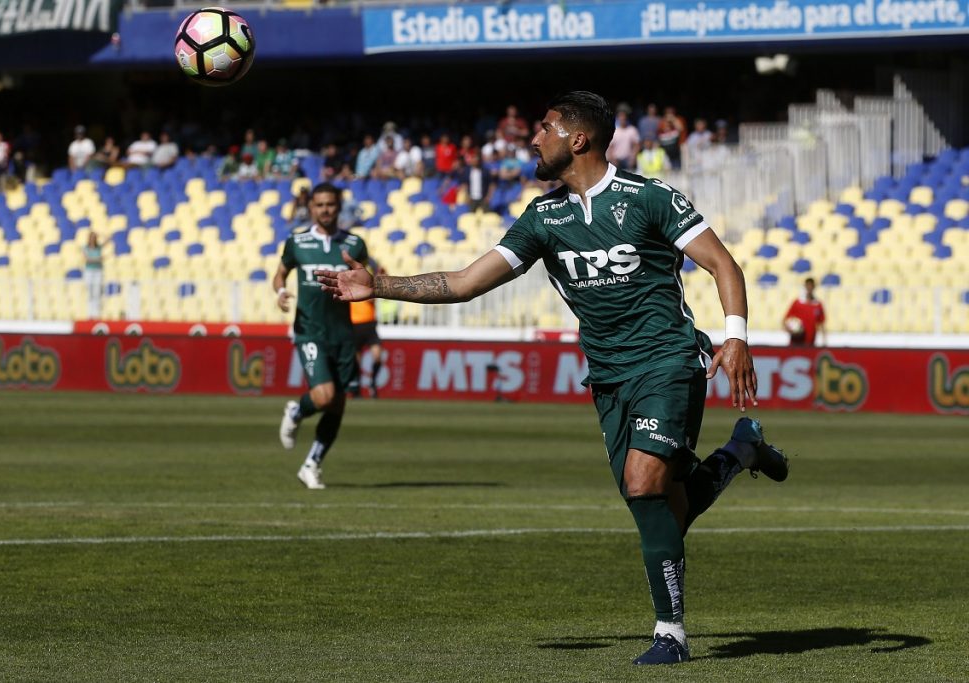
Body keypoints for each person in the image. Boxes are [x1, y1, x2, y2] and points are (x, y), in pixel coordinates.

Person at [317, 91, 788, 666]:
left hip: (668, 360)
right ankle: (742, 450)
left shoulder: (648, 198)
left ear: (578, 139)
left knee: (644, 485)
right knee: (667, 508)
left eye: (545, 127)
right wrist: (380, 286)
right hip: (610, 378)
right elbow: (466, 283)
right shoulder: (545, 217)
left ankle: (671, 634)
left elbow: (723, 264)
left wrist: (735, 336)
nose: (533, 138)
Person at [273, 182, 369, 490]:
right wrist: (280, 291)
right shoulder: (297, 242)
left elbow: (361, 282)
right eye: (320, 205)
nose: (325, 210)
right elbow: (280, 273)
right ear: (311, 208)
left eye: (330, 204)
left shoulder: (355, 244)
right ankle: (297, 409)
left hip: (342, 333)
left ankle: (311, 464)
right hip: (309, 330)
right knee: (325, 396)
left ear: (339, 207)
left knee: (338, 404)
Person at [349, 261, 387, 399]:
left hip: (370, 324)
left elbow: (372, 300)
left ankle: (372, 383)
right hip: (354, 325)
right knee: (356, 361)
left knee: (377, 356)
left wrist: (378, 277)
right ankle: (356, 389)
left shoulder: (367, 285)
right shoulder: (349, 284)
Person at [783, 277, 826, 346]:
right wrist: (790, 329)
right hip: (796, 342)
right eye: (808, 286)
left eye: (811, 286)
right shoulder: (797, 302)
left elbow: (821, 323)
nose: (809, 288)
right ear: (805, 287)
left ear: (814, 287)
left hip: (810, 342)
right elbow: (786, 319)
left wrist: (824, 341)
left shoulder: (818, 304)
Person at [606, 104, 640, 172]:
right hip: (616, 161)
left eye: (624, 116)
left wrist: (633, 158)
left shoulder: (632, 130)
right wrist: (612, 159)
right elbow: (610, 147)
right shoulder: (614, 131)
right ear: (618, 117)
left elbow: (637, 145)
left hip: (628, 161)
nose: (623, 118)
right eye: (621, 116)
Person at [83, 231, 104, 319]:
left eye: (94, 237)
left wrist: (100, 234)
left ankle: (96, 313)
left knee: (97, 292)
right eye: (92, 237)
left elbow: (109, 238)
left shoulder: (99, 247)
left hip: (98, 271)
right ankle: (90, 313)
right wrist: (98, 259)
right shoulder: (86, 248)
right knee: (90, 292)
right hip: (89, 271)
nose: (93, 239)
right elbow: (87, 259)